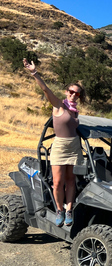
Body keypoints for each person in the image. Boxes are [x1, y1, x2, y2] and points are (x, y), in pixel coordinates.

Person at [23, 58, 85, 227]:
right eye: (71, 91)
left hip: (74, 146)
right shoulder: (59, 105)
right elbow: (45, 89)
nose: (73, 95)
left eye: (77, 93)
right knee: (57, 182)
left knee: (71, 180)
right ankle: (59, 209)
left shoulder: (75, 112)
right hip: (59, 146)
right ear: (66, 92)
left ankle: (69, 209)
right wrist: (34, 72)